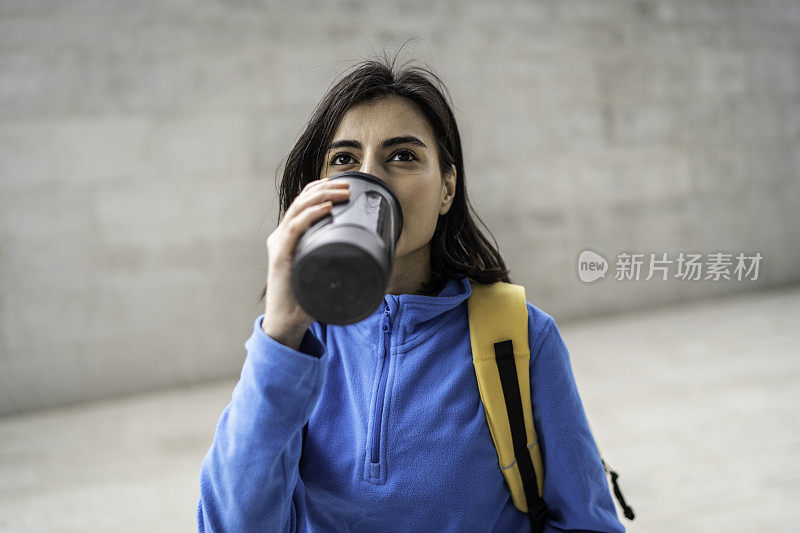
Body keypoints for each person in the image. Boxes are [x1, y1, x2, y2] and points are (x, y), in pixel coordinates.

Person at [197, 50, 625, 532]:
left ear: (447, 189)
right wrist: (280, 336)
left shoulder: (520, 336)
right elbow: (229, 525)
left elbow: (588, 524)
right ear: (319, 189)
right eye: (344, 159)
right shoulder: (296, 348)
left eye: (402, 156)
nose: (370, 178)